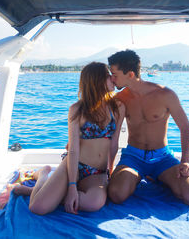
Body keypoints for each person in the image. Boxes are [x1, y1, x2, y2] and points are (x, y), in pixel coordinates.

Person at [14, 62, 125, 215]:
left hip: (97, 172)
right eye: (108, 76)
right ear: (97, 80)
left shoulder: (117, 107)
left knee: (94, 204)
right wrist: (72, 186)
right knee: (37, 207)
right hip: (74, 164)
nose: (113, 79)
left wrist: (109, 171)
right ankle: (43, 176)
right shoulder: (77, 110)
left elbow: (114, 143)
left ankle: (41, 192)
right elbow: (73, 150)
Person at [107, 50, 189, 206]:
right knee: (117, 194)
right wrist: (108, 170)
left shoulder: (165, 95)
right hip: (133, 157)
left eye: (115, 75)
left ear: (130, 74)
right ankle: (146, 177)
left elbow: (185, 128)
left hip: (163, 158)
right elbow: (110, 134)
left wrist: (185, 161)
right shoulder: (120, 99)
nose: (112, 78)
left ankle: (158, 176)